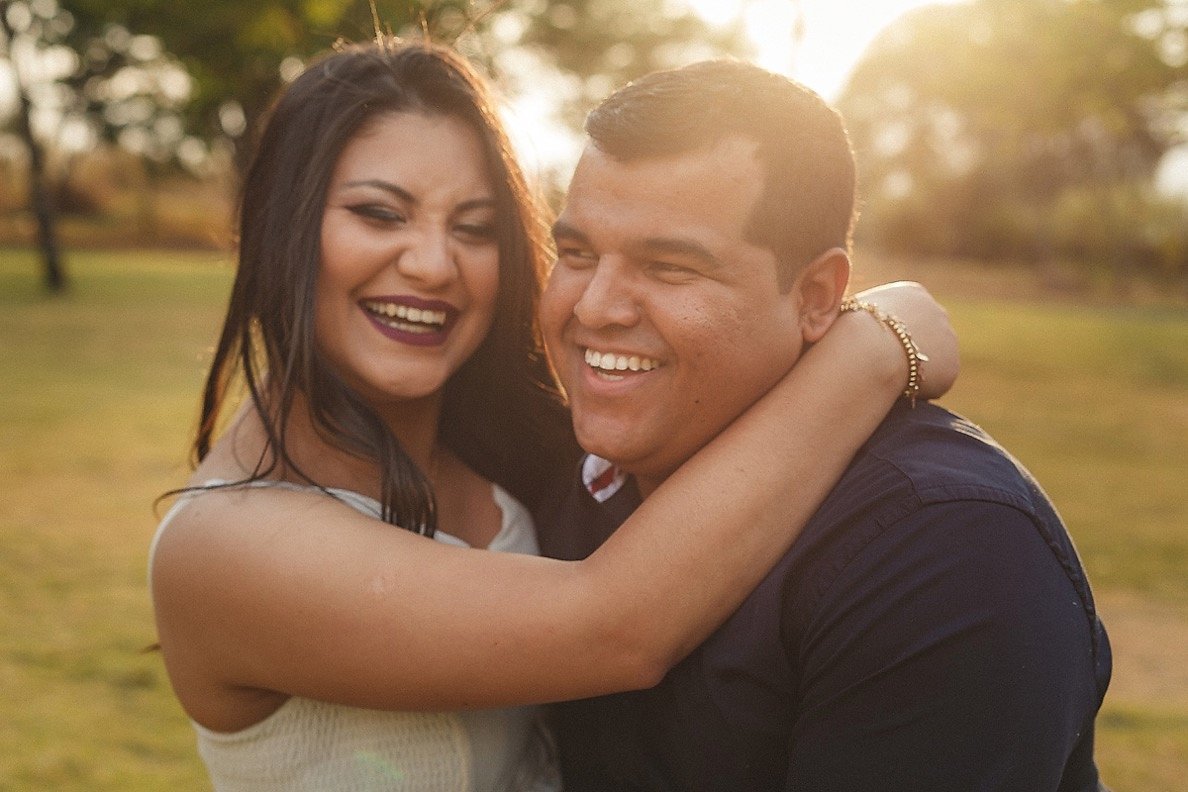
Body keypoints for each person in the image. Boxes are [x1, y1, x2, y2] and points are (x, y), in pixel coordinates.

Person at [148, 39, 957, 791]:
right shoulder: (224, 544)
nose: (433, 265)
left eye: (475, 228)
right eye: (379, 214)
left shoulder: (520, 444)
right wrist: (873, 351)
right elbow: (618, 627)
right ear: (282, 229)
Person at [536, 58, 1112, 791]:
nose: (593, 308)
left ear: (816, 297)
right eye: (577, 254)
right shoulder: (551, 469)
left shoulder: (944, 548)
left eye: (670, 267)